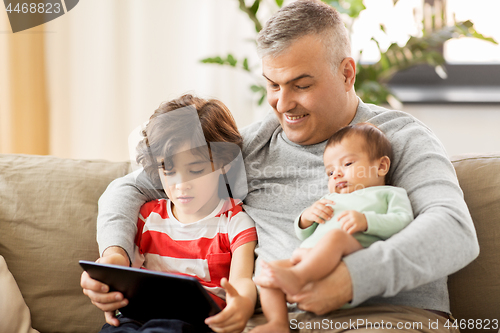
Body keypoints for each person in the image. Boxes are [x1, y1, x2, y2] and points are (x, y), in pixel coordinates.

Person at [82, 1, 478, 332]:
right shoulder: (253, 146)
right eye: (273, 84)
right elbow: (133, 187)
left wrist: (349, 281)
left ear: (346, 73)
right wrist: (114, 255)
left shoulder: (400, 138)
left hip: (385, 318)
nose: (282, 103)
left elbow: (454, 231)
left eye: (301, 85)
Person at [90, 94, 258, 333]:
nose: (181, 184)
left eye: (196, 169)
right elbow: (125, 273)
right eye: (168, 170)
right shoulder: (147, 216)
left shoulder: (235, 222)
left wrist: (242, 303)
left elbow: (241, 280)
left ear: (224, 164)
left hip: (195, 322)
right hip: (136, 317)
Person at [253, 123, 413, 333]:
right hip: (313, 259)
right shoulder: (331, 199)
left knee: (336, 236)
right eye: (330, 172)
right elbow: (305, 233)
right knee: (268, 272)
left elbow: (403, 220)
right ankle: (278, 323)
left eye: (347, 163)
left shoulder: (388, 194)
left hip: (353, 256)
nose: (336, 174)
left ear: (381, 166)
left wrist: (367, 221)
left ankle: (298, 277)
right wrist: (307, 218)